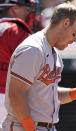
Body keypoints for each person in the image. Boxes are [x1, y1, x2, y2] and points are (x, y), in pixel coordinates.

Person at [2, 2, 76, 131]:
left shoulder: (53, 53)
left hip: (44, 126)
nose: (75, 40)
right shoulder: (33, 49)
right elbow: (16, 94)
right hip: (23, 126)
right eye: (75, 33)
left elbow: (49, 94)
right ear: (65, 23)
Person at [0, 0, 36, 130]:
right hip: (8, 99)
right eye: (26, 9)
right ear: (14, 9)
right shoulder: (16, 30)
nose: (28, 13)